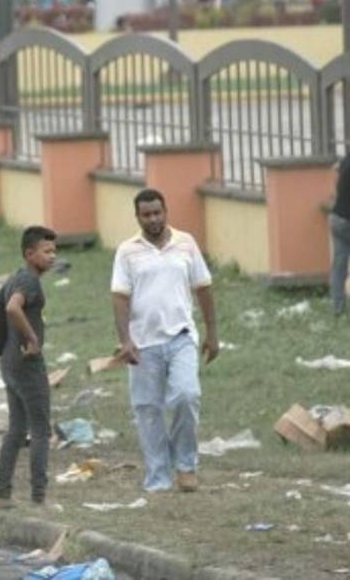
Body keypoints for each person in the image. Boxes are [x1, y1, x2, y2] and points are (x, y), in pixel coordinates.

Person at [111, 189, 217, 494]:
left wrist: (212, 333)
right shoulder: (127, 251)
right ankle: (158, 477)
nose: (153, 219)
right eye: (147, 214)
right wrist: (125, 340)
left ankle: (186, 466)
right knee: (148, 409)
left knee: (187, 396)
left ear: (165, 211)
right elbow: (119, 297)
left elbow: (204, 288)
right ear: (138, 217)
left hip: (181, 336)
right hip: (142, 345)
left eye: (158, 212)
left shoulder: (186, 243)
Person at [0, 226, 57, 506]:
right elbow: (13, 308)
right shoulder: (29, 282)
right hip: (28, 363)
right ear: (29, 253)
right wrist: (31, 337)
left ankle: (3, 493)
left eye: (54, 251)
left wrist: (4, 338)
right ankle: (39, 496)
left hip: (9, 362)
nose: (52, 256)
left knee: (16, 428)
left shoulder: (14, 279)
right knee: (40, 430)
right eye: (46, 251)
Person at [330, 155, 350, 317]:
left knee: (339, 266)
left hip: (336, 217)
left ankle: (338, 306)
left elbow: (336, 168)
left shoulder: (346, 160)